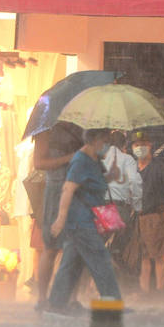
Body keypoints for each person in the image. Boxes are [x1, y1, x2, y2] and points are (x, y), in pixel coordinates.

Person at [47, 128, 122, 314]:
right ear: (94, 140)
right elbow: (68, 188)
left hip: (85, 219)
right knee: (101, 260)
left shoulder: (94, 161)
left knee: (71, 264)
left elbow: (94, 183)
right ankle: (111, 303)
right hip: (81, 221)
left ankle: (56, 305)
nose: (107, 145)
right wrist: (60, 219)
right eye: (105, 140)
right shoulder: (81, 161)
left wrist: (111, 175)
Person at [32, 121, 85, 310]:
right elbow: (39, 163)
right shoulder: (45, 128)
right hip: (56, 191)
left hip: (79, 190)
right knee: (52, 246)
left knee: (77, 248)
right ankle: (42, 298)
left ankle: (72, 299)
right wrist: (70, 158)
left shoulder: (82, 127)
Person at [124, 130, 164, 293]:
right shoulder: (132, 169)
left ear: (150, 145)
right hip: (138, 217)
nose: (140, 147)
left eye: (143, 144)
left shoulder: (159, 167)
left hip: (155, 217)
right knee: (143, 257)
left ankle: (160, 291)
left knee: (159, 256)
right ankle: (144, 291)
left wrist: (163, 212)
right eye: (136, 145)